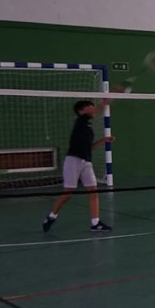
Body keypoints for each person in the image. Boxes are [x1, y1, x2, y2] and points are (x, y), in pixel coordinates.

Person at [42, 99, 115, 233]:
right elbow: (98, 108)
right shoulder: (81, 121)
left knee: (93, 192)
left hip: (86, 162)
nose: (93, 109)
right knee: (68, 194)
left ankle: (95, 223)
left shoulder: (88, 126)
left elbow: (89, 148)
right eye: (89, 107)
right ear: (81, 111)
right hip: (73, 161)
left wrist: (103, 141)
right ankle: (51, 216)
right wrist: (107, 101)